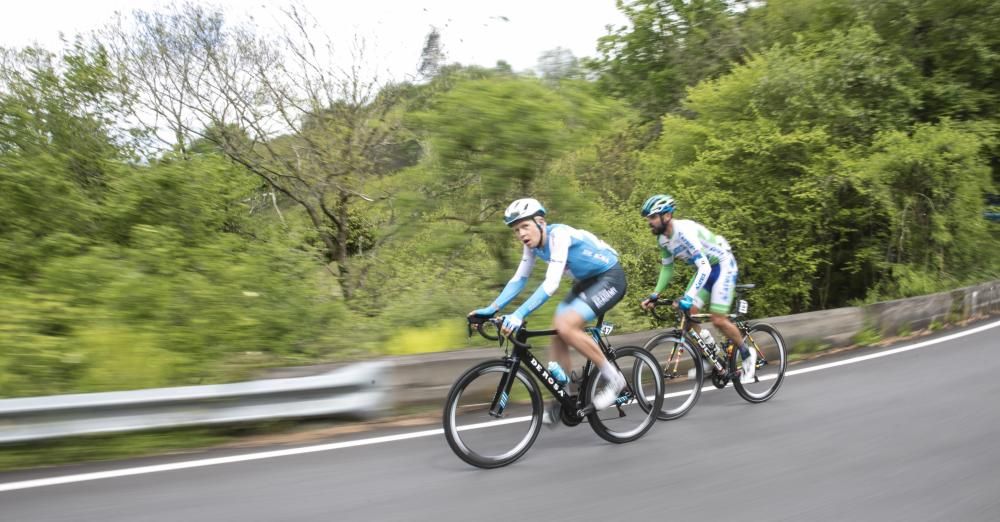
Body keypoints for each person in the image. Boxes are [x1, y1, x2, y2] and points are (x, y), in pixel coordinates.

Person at [469, 198, 628, 416]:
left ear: (541, 222)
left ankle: (615, 379)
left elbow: (551, 284)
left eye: (525, 226)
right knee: (557, 329)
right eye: (516, 230)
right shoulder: (533, 246)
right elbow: (519, 279)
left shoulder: (558, 236)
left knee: (567, 325)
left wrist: (518, 314)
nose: (521, 234)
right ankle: (567, 397)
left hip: (610, 277)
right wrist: (491, 308)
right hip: (587, 282)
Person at [637, 194, 757, 382]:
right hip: (705, 269)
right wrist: (655, 294)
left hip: (722, 266)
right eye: (648, 218)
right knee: (689, 313)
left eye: (652, 217)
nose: (649, 222)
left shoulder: (683, 232)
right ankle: (710, 356)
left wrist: (688, 296)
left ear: (666, 216)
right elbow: (668, 267)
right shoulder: (662, 239)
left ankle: (747, 354)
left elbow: (705, 267)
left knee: (718, 319)